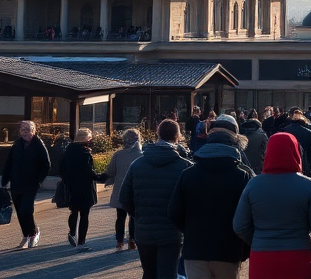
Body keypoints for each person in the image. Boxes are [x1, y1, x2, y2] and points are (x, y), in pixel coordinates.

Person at [234, 132, 311, 279]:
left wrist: (258, 240)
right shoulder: (307, 186)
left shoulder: (253, 185)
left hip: (262, 257)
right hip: (298, 256)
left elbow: (239, 226)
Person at [170, 127, 253, 279]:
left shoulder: (188, 175)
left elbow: (174, 212)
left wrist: (190, 230)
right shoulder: (242, 177)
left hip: (195, 250)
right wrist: (245, 249)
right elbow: (248, 218)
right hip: (228, 250)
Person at [121, 119, 193, 279]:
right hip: (172, 232)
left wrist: (138, 214)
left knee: (149, 273)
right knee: (168, 273)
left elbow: (124, 197)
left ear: (158, 134)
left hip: (144, 230)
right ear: (178, 137)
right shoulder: (185, 167)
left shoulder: (137, 164)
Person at [1, 119, 51, 249]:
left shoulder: (38, 145)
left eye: (28, 130)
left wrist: (39, 179)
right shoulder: (17, 144)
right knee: (19, 211)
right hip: (16, 183)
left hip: (31, 184)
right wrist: (5, 180)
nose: (25, 133)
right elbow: (8, 163)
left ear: (34, 131)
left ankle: (34, 233)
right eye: (23, 130)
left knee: (26, 210)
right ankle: (26, 234)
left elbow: (46, 164)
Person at [58, 128, 105, 250]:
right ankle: (81, 241)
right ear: (86, 139)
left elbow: (61, 169)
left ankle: (72, 232)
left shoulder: (68, 151)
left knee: (74, 211)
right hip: (85, 187)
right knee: (84, 214)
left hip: (71, 186)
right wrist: (100, 177)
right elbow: (88, 171)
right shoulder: (85, 153)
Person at [104, 128, 143, 251]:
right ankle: (132, 239)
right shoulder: (142, 156)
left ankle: (119, 241)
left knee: (120, 216)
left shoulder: (118, 155)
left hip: (120, 190)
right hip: (135, 191)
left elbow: (110, 172)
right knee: (133, 217)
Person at [277, 107, 311, 178]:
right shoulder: (308, 132)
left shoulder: (285, 130)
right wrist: (310, 167)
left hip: (287, 167)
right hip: (304, 167)